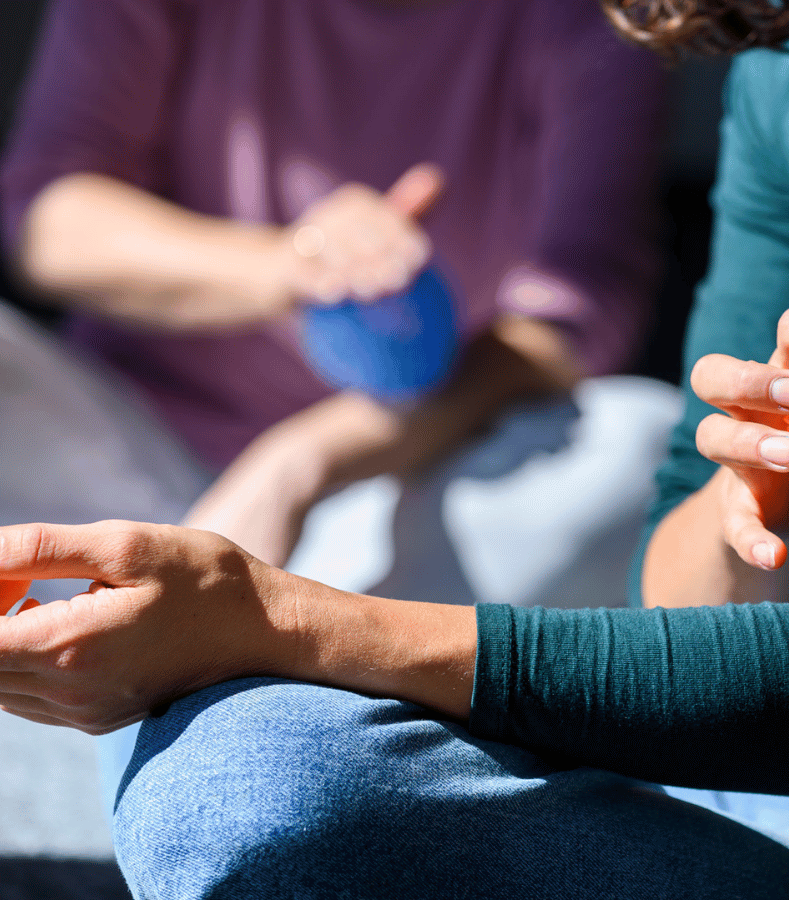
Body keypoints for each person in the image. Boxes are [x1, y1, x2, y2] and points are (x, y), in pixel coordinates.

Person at [0, 0, 789, 898]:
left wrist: (288, 623)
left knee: (248, 790)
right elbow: (682, 598)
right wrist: (745, 498)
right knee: (233, 753)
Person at [0, 0, 668, 570]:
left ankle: (294, 641)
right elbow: (46, 223)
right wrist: (290, 264)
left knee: (639, 443)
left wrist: (295, 466)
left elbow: (573, 320)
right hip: (118, 455)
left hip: (389, 485)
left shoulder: (595, 18)